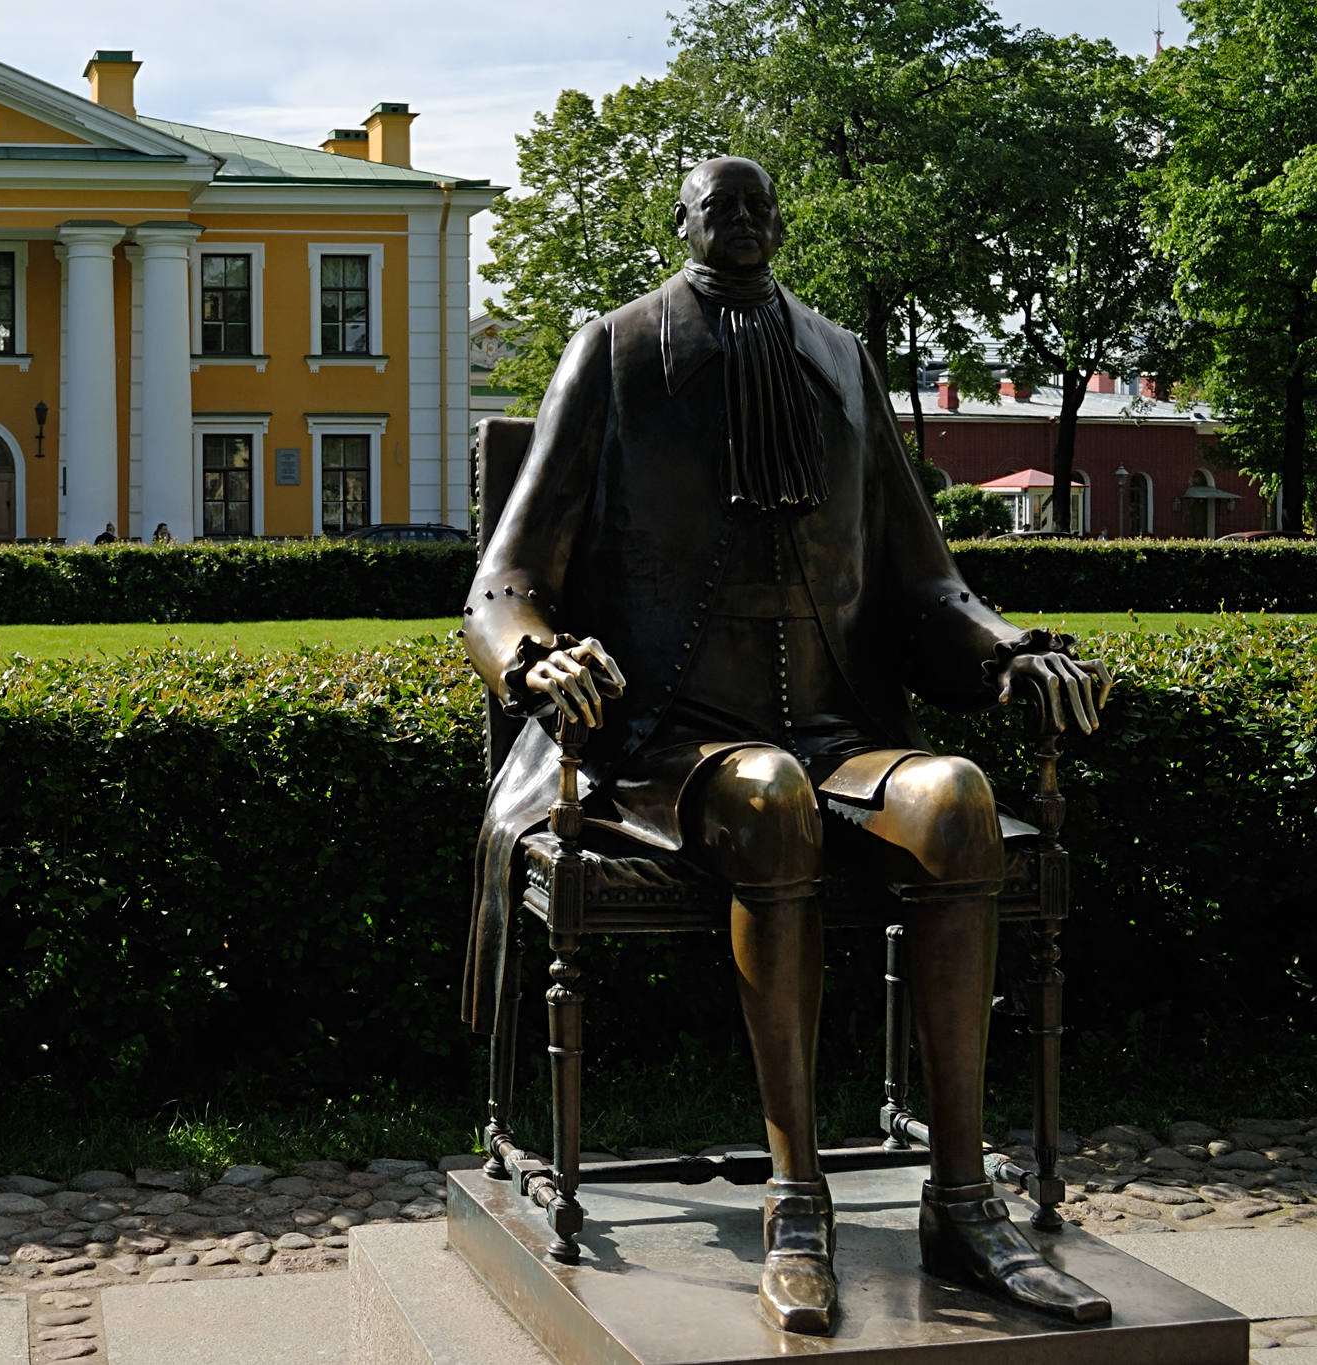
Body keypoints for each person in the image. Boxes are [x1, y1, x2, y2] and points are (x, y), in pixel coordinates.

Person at [461, 157, 1112, 1334]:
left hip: (838, 734)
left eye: (763, 205)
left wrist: (1009, 649)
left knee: (957, 799)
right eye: (722, 205)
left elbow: (926, 583)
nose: (747, 222)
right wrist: (532, 657)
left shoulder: (841, 359)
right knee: (765, 798)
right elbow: (503, 577)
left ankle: (963, 1204)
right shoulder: (611, 350)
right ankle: (795, 1201)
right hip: (666, 749)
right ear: (678, 222)